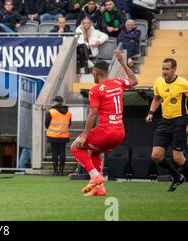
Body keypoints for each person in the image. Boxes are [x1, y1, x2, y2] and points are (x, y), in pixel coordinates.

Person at [71, 50, 138, 196]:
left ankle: (95, 177)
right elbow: (134, 81)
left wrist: (85, 135)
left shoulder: (95, 90)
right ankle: (99, 189)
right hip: (120, 133)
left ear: (95, 73)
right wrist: (122, 63)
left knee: (76, 147)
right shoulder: (118, 83)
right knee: (95, 152)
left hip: (106, 131)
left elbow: (93, 113)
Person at [145, 58, 188, 192]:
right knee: (156, 155)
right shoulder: (158, 81)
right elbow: (157, 98)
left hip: (180, 121)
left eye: (167, 69)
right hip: (165, 121)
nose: (164, 71)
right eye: (163, 68)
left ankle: (179, 176)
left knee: (178, 158)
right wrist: (151, 112)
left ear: (174, 69)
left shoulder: (183, 84)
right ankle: (177, 176)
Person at [45, 96, 72, 176]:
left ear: (55, 102)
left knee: (55, 153)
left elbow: (46, 123)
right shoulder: (69, 112)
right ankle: (61, 171)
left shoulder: (51, 111)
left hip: (53, 135)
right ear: (62, 102)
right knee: (62, 153)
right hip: (64, 135)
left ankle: (55, 171)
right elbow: (69, 124)